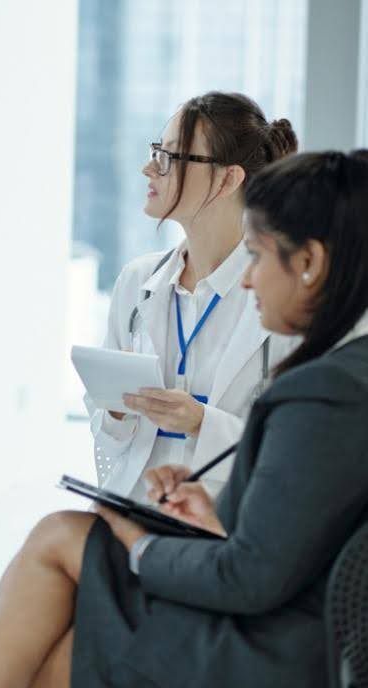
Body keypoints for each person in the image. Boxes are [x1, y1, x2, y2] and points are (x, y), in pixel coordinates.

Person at [0, 149, 368, 688]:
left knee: (59, 558)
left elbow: (248, 578)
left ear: (310, 261)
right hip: (290, 618)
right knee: (59, 621)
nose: (249, 280)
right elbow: (301, 531)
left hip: (273, 646)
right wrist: (215, 517)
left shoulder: (326, 392)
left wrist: (142, 542)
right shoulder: (347, 372)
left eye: (258, 256)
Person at [88, 92, 299, 501]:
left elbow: (293, 447)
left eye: (170, 156)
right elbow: (109, 442)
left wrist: (202, 422)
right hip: (136, 502)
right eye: (156, 151)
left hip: (223, 512)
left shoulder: (278, 295)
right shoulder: (137, 280)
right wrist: (115, 410)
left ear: (227, 179)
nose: (149, 167)